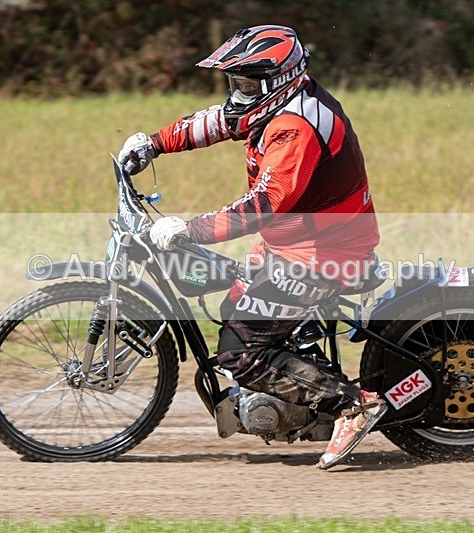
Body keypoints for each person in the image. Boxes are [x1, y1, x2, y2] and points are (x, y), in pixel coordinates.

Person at [118, 25, 386, 469]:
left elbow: (264, 205)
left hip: (324, 253)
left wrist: (190, 229)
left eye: (246, 83)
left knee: (238, 351)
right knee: (236, 309)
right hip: (297, 242)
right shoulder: (276, 101)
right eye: (235, 83)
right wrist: (154, 143)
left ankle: (353, 405)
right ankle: (296, 388)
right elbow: (220, 121)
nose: (237, 93)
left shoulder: (295, 127)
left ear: (277, 80)